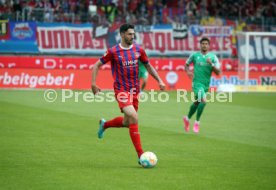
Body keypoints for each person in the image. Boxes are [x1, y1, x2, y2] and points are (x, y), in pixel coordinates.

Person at [91, 24, 165, 164]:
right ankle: (141, 155)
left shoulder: (139, 50)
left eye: (133, 34)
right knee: (133, 116)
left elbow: (148, 66)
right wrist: (93, 84)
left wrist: (159, 80)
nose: (133, 36)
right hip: (121, 90)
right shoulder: (113, 51)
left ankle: (105, 125)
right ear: (122, 34)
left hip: (134, 91)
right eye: (130, 34)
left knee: (127, 122)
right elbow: (96, 65)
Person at [183, 37, 221, 133]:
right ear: (200, 45)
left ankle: (187, 119)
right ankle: (197, 122)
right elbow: (186, 64)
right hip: (196, 83)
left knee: (197, 102)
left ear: (209, 45)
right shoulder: (195, 56)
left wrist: (211, 64)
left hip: (205, 85)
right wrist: (187, 72)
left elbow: (218, 72)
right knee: (203, 101)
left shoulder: (213, 57)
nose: (204, 45)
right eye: (203, 43)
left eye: (206, 44)